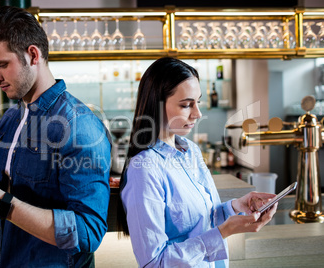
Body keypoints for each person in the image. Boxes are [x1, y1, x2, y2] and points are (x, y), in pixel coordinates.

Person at [0, 6, 111, 267]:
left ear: (32, 55)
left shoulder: (79, 126)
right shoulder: (11, 118)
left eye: (2, 65)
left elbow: (87, 232)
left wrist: (1, 203)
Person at [117, 57, 277, 267]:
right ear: (156, 105)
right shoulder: (144, 169)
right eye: (186, 105)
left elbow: (201, 221)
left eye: (198, 102)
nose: (198, 114)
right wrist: (225, 231)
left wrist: (236, 206)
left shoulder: (190, 151)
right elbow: (154, 263)